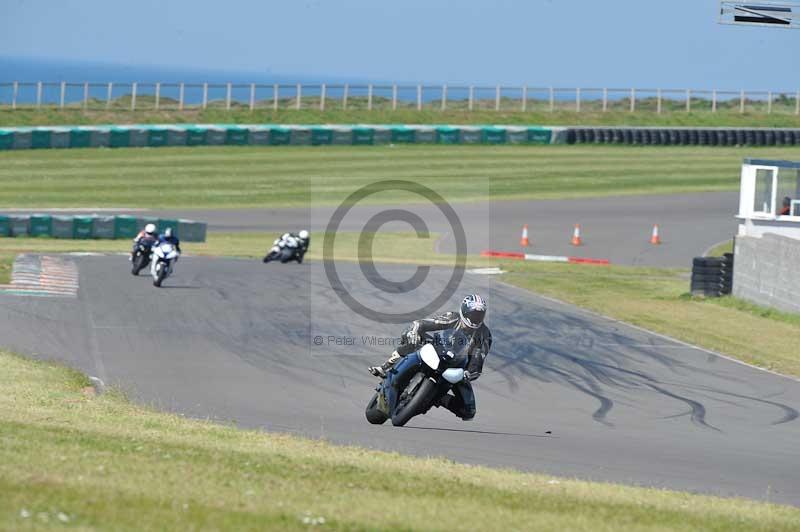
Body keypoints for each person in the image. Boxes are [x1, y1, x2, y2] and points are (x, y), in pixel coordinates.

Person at [368, 294, 492, 420]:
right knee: (411, 339)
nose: (476, 318)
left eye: (479, 315)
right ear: (464, 311)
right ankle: (387, 366)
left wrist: (469, 373)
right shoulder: (453, 318)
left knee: (469, 411)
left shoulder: (484, 334)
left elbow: (478, 360)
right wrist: (414, 332)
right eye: (473, 314)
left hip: (457, 369)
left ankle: (438, 398)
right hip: (438, 351)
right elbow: (421, 324)